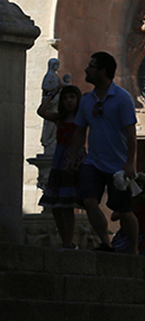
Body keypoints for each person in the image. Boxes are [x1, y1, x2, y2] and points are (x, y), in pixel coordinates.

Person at [69, 52, 138, 253]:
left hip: (118, 165)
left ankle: (133, 251)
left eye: (91, 66)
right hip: (94, 162)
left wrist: (130, 163)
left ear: (102, 71)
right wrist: (74, 155)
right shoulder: (86, 100)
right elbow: (80, 129)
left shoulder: (122, 98)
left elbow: (131, 132)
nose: (86, 70)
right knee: (89, 201)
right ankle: (106, 243)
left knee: (124, 210)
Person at [37, 83, 83, 248]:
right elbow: (41, 111)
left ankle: (68, 243)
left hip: (74, 161)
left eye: (71, 97)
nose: (68, 101)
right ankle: (66, 241)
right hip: (59, 161)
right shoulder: (60, 118)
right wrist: (53, 93)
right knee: (56, 206)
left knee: (68, 205)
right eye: (65, 98)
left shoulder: (81, 118)